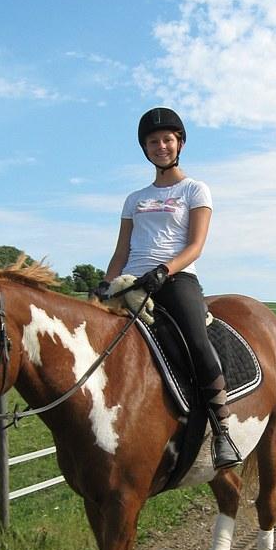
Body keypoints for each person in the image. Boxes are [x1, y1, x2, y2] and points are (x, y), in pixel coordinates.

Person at [97, 106, 242, 470]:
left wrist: (164, 270)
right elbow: (122, 250)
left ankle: (221, 428)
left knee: (196, 340)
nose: (160, 146)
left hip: (176, 279)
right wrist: (103, 285)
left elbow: (195, 245)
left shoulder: (194, 188)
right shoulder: (134, 198)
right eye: (152, 141)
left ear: (179, 143)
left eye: (167, 139)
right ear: (145, 148)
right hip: (130, 281)